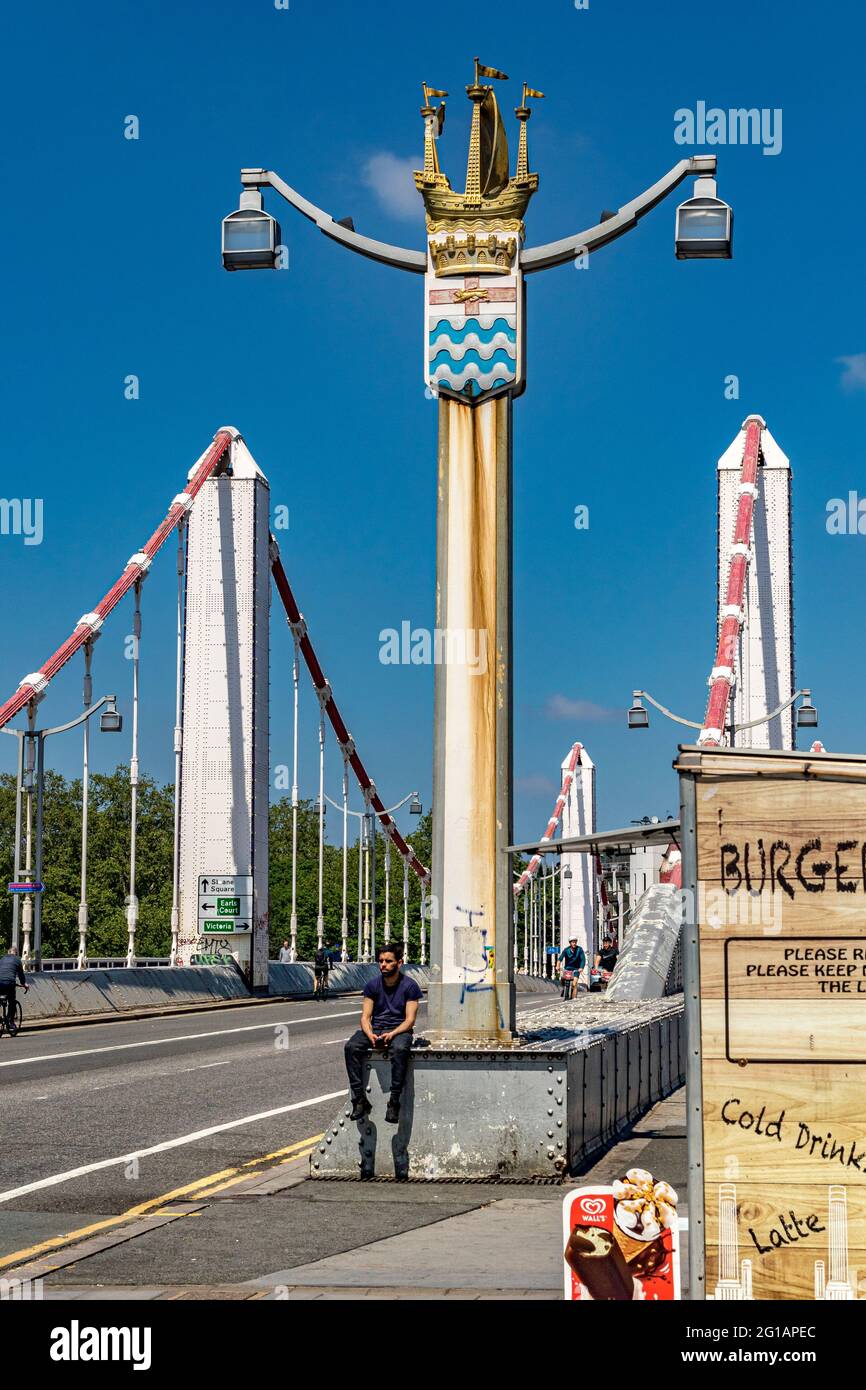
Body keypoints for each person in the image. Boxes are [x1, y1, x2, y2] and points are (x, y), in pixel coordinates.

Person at [344, 944, 422, 1124]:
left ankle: (394, 1102)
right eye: (381, 961)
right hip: (376, 1029)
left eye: (388, 961)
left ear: (399, 963)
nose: (383, 965)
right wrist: (370, 1034)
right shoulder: (372, 985)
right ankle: (359, 1100)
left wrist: (393, 1034)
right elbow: (365, 1017)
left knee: (400, 1049)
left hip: (400, 1029)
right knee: (351, 1047)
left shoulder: (410, 986)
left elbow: (410, 1020)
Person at [0, 945, 29, 1028]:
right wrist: (24, 984)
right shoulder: (17, 960)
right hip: (9, 983)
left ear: (8, 952)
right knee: (12, 1001)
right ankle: (11, 1022)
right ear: (16, 953)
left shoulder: (2, 959)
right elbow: (21, 975)